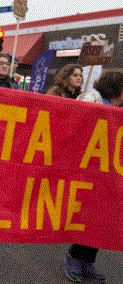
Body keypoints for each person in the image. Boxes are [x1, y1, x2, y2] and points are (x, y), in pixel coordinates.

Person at [62, 71, 123, 283]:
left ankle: (88, 261)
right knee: (87, 216)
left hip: (109, 173)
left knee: (102, 218)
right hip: (87, 170)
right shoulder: (91, 100)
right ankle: (74, 256)